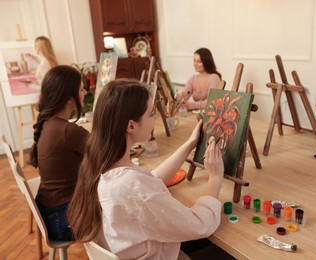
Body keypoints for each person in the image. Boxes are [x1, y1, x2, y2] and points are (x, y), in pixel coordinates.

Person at [68, 79, 225, 259]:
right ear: (131, 125)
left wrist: (189, 144)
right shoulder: (136, 188)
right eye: (151, 114)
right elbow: (200, 224)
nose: (155, 118)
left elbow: (152, 179)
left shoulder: (100, 167)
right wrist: (215, 177)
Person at [29, 65, 89, 241]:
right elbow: (108, 154)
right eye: (81, 89)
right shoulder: (68, 131)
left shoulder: (48, 123)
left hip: (50, 214)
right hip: (63, 221)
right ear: (69, 99)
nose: (85, 92)